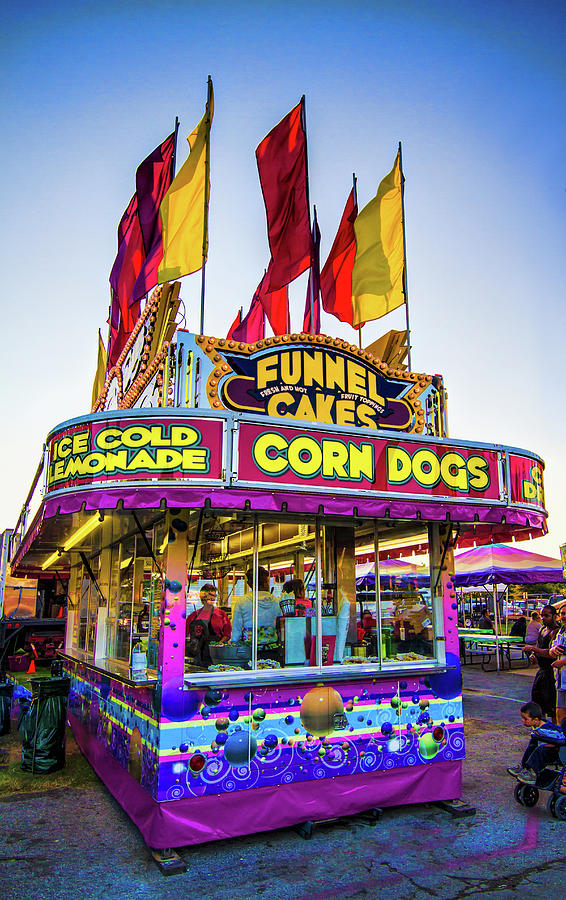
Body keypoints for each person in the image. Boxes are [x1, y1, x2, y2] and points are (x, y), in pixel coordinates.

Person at [522, 604, 559, 720]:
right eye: (542, 616)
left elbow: (551, 652)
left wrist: (533, 649)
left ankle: (554, 732)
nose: (543, 618)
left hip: (551, 672)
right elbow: (539, 645)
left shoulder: (556, 631)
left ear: (554, 616)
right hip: (541, 672)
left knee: (552, 708)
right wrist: (534, 655)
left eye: (546, 616)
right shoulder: (542, 629)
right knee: (538, 706)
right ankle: (541, 730)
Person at [507, 701, 559, 784]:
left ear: (535, 720)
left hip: (555, 751)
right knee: (532, 745)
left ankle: (533, 773)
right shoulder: (538, 725)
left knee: (540, 749)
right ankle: (525, 767)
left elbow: (557, 741)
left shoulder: (547, 729)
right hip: (547, 748)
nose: (522, 721)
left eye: (525, 719)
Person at [232, 566, 280, 652]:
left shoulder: (242, 602)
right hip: (272, 649)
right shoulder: (276, 601)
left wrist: (234, 647)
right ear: (266, 582)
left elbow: (236, 631)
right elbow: (281, 626)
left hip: (249, 650)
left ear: (249, 583)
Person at [185, 583, 231, 666]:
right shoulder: (193, 616)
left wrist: (218, 644)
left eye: (213, 596)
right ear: (202, 597)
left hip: (215, 657)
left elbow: (227, 634)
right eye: (208, 596)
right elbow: (184, 635)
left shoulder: (221, 615)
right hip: (196, 657)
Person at [550, 603, 566, 726]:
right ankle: (562, 740)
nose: (564, 616)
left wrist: (562, 662)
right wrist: (553, 650)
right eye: (563, 614)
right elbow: (552, 649)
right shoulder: (561, 632)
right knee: (560, 710)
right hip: (561, 680)